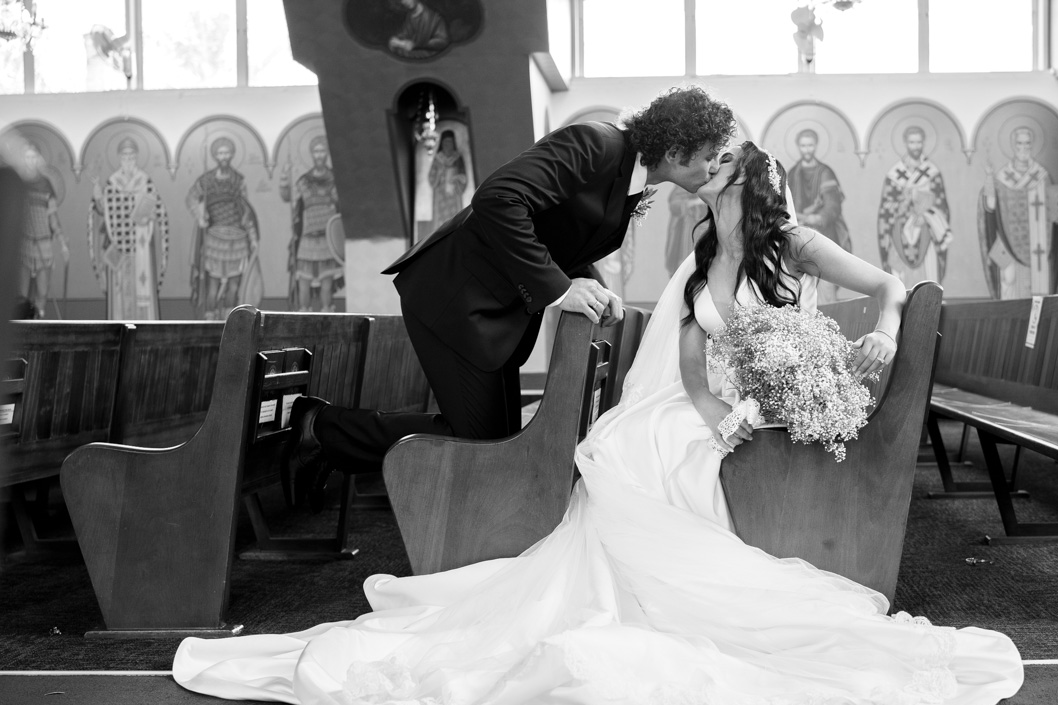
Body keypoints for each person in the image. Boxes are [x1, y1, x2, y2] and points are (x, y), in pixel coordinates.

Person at [175, 142, 1024, 705]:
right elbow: (690, 364)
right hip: (711, 404)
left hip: (768, 404)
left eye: (722, 178)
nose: (708, 186)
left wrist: (880, 334)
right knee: (642, 443)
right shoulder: (701, 263)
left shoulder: (794, 245)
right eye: (708, 178)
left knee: (653, 454)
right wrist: (715, 412)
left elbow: (890, 288)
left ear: (752, 189)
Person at [280, 87, 738, 509]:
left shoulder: (630, 176)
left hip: (493, 309)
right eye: (707, 157)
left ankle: (327, 434)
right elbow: (499, 198)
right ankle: (321, 428)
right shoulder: (595, 144)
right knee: (480, 445)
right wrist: (561, 289)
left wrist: (592, 284)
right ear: (674, 151)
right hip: (453, 294)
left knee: (497, 441)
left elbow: (561, 234)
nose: (712, 167)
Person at [88, 136, 168, 320]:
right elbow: (103, 210)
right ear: (119, 158)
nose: (128, 159)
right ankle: (119, 321)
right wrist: (98, 195)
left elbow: (156, 209)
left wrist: (148, 215)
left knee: (141, 283)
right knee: (119, 285)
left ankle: (144, 321)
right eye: (125, 156)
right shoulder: (112, 182)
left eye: (131, 156)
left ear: (137, 157)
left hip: (141, 244)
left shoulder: (145, 181)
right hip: (117, 242)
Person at [979, 126, 1058, 299]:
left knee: (1037, 285)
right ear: (1013, 145)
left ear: (1032, 145)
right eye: (1019, 143)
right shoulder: (1003, 177)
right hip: (1008, 240)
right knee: (1009, 280)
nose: (1023, 148)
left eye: (1027, 143)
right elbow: (991, 207)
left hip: (1037, 243)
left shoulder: (1042, 176)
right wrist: (989, 181)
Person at [186, 137, 261, 321]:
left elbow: (245, 211)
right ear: (215, 156)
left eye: (227, 152)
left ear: (232, 154)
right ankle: (210, 320)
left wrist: (252, 238)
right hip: (214, 239)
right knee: (212, 285)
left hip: (237, 240)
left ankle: (230, 321)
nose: (224, 156)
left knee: (234, 286)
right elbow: (191, 198)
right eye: (220, 153)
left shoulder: (238, 180)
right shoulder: (206, 180)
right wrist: (200, 214)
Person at [878, 125, 953, 291]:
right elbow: (886, 209)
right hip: (900, 235)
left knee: (928, 278)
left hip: (926, 235)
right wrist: (903, 206)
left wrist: (926, 217)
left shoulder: (932, 173)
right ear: (905, 143)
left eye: (919, 142)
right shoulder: (894, 175)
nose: (916, 146)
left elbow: (941, 205)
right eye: (912, 142)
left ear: (924, 143)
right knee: (901, 281)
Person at [786, 129, 851, 303]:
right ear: (798, 147)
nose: (807, 150)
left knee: (826, 284)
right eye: (803, 146)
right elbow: (787, 204)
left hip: (825, 234)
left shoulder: (825, 172)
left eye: (810, 145)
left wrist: (818, 218)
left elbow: (833, 205)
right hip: (800, 237)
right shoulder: (793, 173)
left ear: (815, 146)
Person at [279, 136, 341, 312]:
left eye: (322, 151)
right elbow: (288, 197)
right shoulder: (304, 181)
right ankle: (303, 314)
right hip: (307, 238)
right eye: (316, 151)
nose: (319, 155)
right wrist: (284, 176)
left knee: (327, 284)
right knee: (303, 282)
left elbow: (342, 204)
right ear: (312, 154)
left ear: (326, 154)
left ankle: (327, 315)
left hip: (327, 240)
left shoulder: (334, 179)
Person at [20, 142, 69, 319]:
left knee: (42, 291)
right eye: (27, 157)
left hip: (43, 244)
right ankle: (21, 325)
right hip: (23, 244)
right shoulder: (18, 185)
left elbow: (53, 218)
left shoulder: (46, 185)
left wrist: (62, 243)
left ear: (38, 159)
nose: (31, 161)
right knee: (22, 294)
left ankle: (39, 320)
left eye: (34, 157)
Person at [427, 129, 468, 232]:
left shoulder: (457, 158)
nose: (447, 145)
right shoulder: (438, 159)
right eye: (445, 142)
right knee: (441, 222)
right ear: (442, 143)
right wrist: (440, 172)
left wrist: (458, 177)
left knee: (455, 220)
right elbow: (431, 178)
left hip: (454, 193)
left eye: (450, 142)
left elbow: (463, 176)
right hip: (440, 195)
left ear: (453, 143)